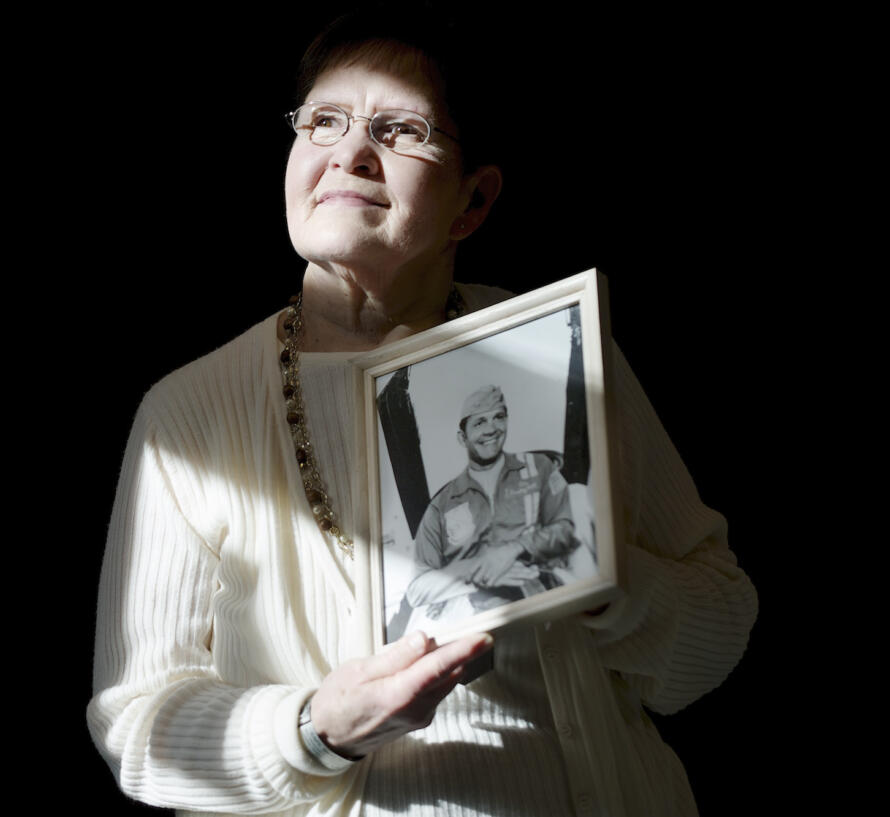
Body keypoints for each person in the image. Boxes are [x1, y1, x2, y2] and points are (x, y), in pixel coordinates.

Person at [87, 9, 757, 816]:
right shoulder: (189, 414)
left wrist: (604, 587)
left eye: (400, 128)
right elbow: (137, 723)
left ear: (472, 203)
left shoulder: (556, 351)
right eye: (324, 121)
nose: (350, 153)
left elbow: (717, 628)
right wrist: (315, 728)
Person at [405, 385, 580, 621]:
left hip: (542, 593)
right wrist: (482, 569)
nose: (491, 429)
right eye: (479, 423)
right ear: (462, 437)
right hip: (473, 611)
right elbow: (417, 590)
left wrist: (513, 549)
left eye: (498, 417)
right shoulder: (441, 505)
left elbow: (565, 532)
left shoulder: (539, 467)